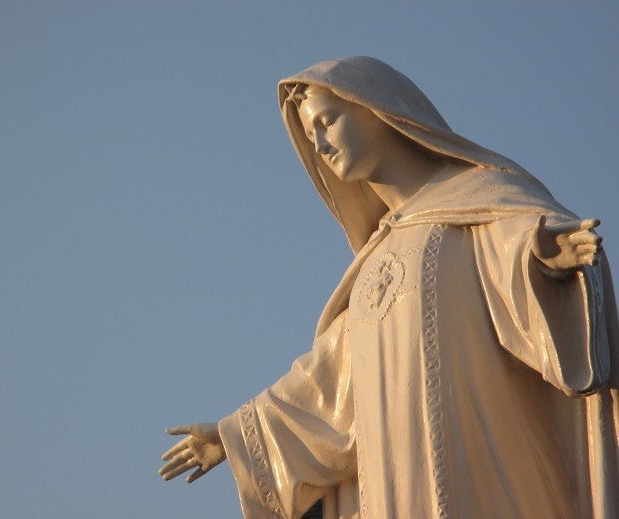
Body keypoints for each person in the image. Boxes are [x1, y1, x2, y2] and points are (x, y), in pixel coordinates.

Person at [160, 57, 619, 519]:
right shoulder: (375, 261)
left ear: (374, 108)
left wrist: (545, 259)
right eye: (311, 132)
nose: (319, 144)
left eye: (326, 121)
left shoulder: (480, 207)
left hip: (485, 475)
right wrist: (237, 435)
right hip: (397, 489)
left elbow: (518, 250)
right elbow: (329, 384)